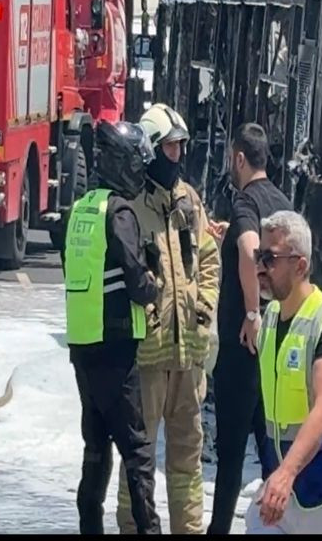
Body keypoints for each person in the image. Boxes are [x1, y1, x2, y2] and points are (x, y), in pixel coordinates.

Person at [115, 103, 221, 535]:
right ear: (152, 151)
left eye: (181, 147)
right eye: (172, 148)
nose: (179, 156)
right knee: (138, 459)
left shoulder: (189, 200)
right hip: (147, 359)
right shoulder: (130, 207)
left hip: (188, 360)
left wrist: (205, 305)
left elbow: (208, 257)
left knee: (187, 459)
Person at [64, 120, 161, 535]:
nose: (141, 174)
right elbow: (138, 284)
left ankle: (90, 526)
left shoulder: (81, 209)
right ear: (124, 165)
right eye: (138, 165)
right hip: (117, 346)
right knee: (137, 452)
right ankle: (149, 529)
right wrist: (154, 280)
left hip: (83, 347)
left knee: (96, 447)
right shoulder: (119, 213)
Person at [244, 211, 322, 534]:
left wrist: (285, 474)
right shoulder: (270, 317)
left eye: (270, 258)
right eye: (259, 256)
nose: (260, 267)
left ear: (300, 266)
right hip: (283, 497)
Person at [206, 123, 292, 535]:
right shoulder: (281, 201)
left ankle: (219, 529)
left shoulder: (245, 201)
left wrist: (252, 312)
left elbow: (248, 249)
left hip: (244, 346)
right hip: (276, 345)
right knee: (270, 448)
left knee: (231, 454)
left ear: (240, 158)